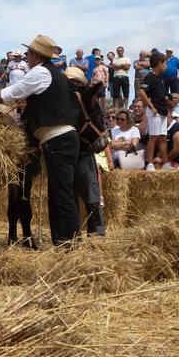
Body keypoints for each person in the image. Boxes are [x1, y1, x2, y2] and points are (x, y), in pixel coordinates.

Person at [0, 35, 81, 246]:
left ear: (36, 55)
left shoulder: (40, 72)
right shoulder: (56, 74)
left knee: (61, 195)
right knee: (60, 194)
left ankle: (71, 244)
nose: (26, 58)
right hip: (63, 139)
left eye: (28, 54)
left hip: (58, 140)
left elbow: (10, 94)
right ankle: (65, 242)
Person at [64, 65, 107, 235]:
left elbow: (97, 122)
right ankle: (75, 233)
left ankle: (96, 230)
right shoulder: (63, 100)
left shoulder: (88, 99)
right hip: (68, 150)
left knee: (90, 193)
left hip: (83, 150)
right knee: (71, 194)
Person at [137, 52, 171, 169]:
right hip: (155, 112)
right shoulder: (150, 77)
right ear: (159, 64)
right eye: (165, 63)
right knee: (153, 137)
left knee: (162, 138)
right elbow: (142, 92)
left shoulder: (160, 78)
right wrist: (152, 107)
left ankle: (166, 163)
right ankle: (149, 163)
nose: (166, 65)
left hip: (163, 111)